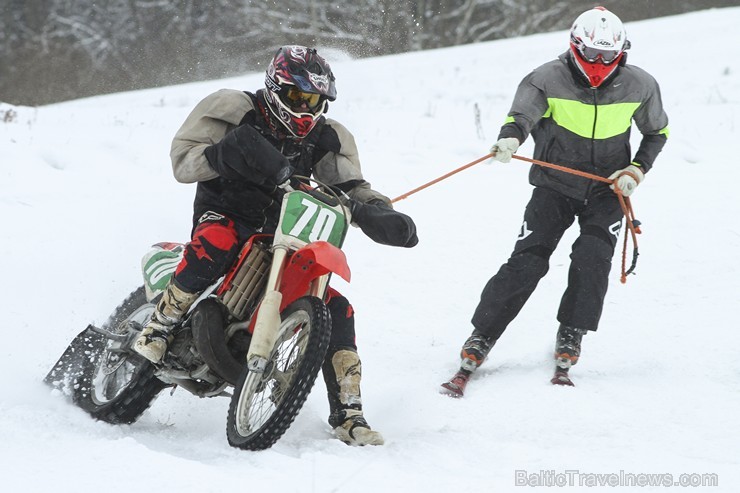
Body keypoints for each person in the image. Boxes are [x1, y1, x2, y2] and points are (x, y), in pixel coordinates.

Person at [133, 45, 418, 445]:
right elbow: (184, 162)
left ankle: (349, 413)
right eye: (297, 97)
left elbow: (351, 186)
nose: (305, 109)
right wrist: (229, 152)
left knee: (338, 306)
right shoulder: (234, 109)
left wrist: (381, 212)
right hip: (227, 213)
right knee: (218, 240)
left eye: (315, 100)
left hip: (284, 234)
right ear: (274, 87)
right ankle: (161, 323)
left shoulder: (329, 137)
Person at [445, 7, 668, 388]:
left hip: (607, 190)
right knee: (527, 261)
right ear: (574, 46)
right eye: (592, 55)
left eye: (608, 56)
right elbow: (521, 117)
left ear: (621, 52)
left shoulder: (641, 85)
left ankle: (572, 331)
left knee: (593, 257)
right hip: (553, 187)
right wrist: (511, 138)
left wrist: (636, 170)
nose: (599, 64)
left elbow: (657, 133)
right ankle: (482, 335)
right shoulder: (545, 79)